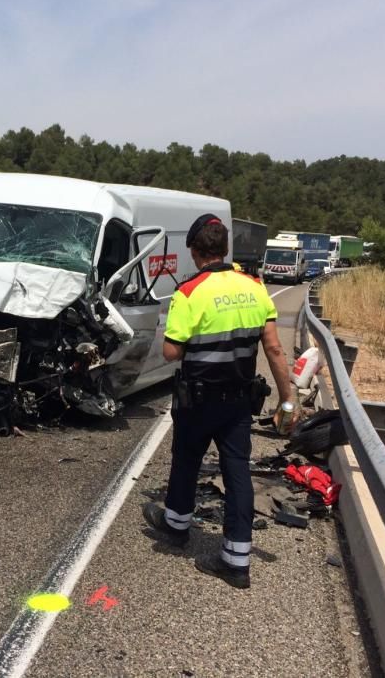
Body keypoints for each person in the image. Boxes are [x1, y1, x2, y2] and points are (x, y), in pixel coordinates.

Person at [142, 213, 298, 589]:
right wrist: (288, 401)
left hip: (198, 400)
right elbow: (275, 349)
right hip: (239, 402)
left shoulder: (189, 293)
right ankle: (237, 559)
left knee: (186, 460)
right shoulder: (256, 287)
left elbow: (170, 353)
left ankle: (177, 525)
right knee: (237, 472)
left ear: (196, 252)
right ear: (225, 248)